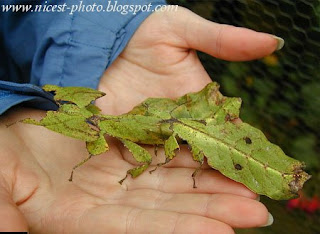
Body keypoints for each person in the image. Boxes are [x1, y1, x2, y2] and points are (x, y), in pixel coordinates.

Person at [0, 0, 284, 232]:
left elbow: (146, 158)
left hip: (175, 128)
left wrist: (115, 34)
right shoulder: (109, 128)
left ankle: (278, 172)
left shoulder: (114, 128)